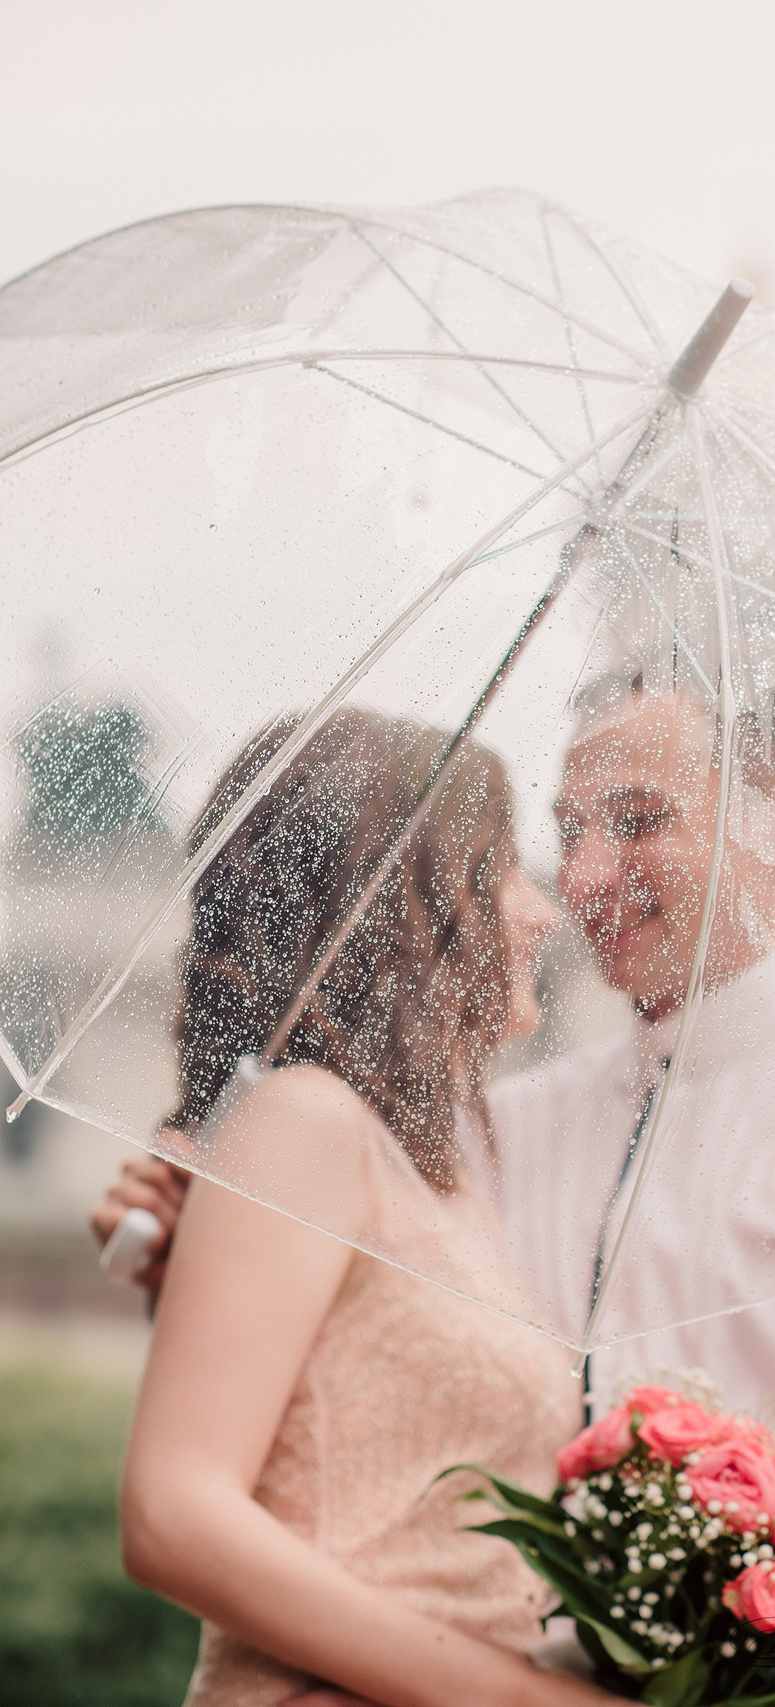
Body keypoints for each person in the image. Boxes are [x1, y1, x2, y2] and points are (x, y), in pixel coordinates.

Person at [97, 687, 775, 1619]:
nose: (586, 876)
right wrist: (203, 1251)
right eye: (567, 830)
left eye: (639, 822)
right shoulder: (493, 1129)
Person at [116, 707, 610, 1707]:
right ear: (413, 900)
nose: (542, 910)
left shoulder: (442, 1172)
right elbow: (174, 1513)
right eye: (507, 864)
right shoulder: (304, 1121)